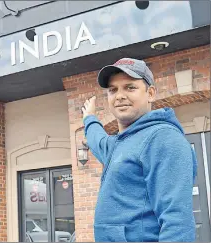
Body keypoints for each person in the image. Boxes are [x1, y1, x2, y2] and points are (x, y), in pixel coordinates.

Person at [81, 58, 197, 242]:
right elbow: (97, 140)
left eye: (130, 87)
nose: (119, 95)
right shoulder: (117, 145)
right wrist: (89, 119)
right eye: (113, 90)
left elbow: (178, 223)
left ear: (150, 93)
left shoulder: (163, 139)